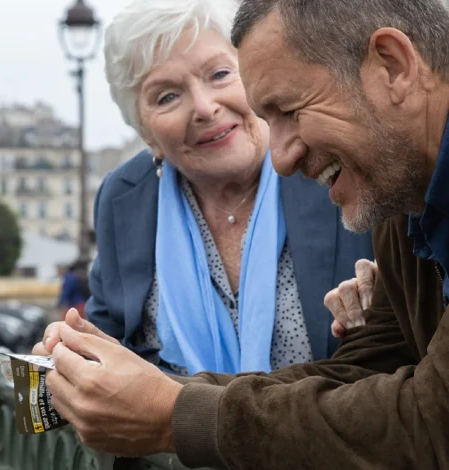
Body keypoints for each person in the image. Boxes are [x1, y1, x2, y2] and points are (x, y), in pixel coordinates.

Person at [32, 0, 449, 467]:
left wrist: (171, 415)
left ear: (392, 64)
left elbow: (430, 421)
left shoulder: (370, 174)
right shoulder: (398, 181)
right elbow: (368, 369)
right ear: (145, 132)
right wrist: (122, 388)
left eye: (287, 110)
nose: (282, 158)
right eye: (166, 96)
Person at [83, 0, 373, 377]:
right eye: (167, 96)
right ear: (146, 134)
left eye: (220, 74)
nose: (205, 107)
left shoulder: (331, 158)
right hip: (175, 437)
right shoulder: (124, 198)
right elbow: (110, 344)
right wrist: (75, 355)